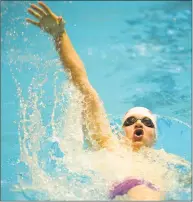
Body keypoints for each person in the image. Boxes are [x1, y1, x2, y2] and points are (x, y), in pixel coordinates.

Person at [26, 2, 164, 200]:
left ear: (155, 136)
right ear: (121, 131)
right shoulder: (108, 143)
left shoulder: (169, 161)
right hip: (129, 188)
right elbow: (82, 83)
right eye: (130, 121)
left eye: (147, 122)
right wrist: (60, 35)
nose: (139, 123)